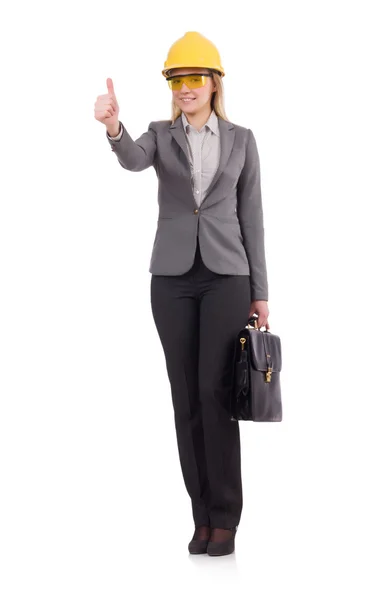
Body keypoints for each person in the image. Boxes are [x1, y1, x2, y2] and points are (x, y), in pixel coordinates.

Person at [94, 31, 270, 556]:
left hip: (227, 278)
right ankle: (200, 516)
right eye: (176, 79)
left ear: (215, 83)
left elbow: (252, 219)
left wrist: (261, 292)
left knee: (216, 394)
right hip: (171, 281)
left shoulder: (242, 139)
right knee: (185, 396)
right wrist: (112, 128)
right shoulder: (157, 134)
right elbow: (131, 158)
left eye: (195, 78)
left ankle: (227, 519)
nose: (185, 88)